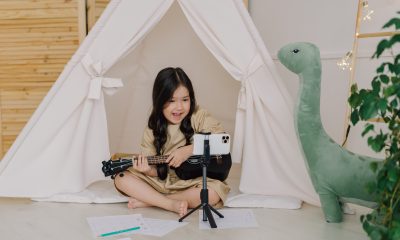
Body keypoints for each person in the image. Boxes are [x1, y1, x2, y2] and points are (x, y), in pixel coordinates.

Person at [114, 67, 230, 217]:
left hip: (192, 181)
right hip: (164, 181)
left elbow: (221, 141)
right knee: (121, 179)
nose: (179, 107)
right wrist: (147, 170)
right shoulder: (152, 128)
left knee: (212, 194)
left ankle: (151, 201)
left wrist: (189, 150)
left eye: (185, 100)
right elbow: (156, 172)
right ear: (159, 100)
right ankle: (169, 204)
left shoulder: (199, 116)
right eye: (171, 101)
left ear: (191, 98)